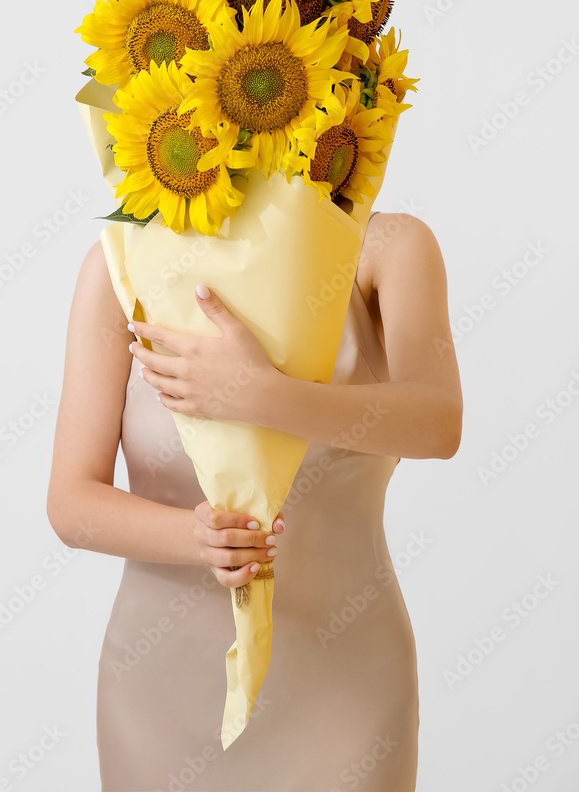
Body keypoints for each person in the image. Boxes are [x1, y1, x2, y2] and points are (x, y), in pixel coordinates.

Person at [46, 208, 463, 792]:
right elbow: (72, 504)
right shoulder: (121, 262)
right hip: (162, 694)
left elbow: (438, 425)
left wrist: (258, 393)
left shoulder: (387, 247)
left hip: (346, 686)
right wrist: (198, 541)